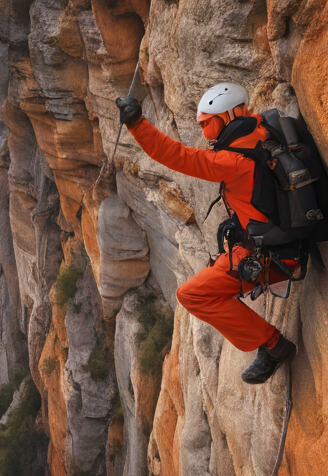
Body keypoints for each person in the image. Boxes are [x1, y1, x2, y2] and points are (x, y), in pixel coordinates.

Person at [116, 83, 296, 384]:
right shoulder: (262, 129)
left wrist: (136, 123)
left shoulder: (232, 162)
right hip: (284, 244)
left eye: (207, 124)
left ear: (229, 115)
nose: (205, 133)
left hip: (270, 257)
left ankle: (274, 346)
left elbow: (178, 157)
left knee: (192, 294)